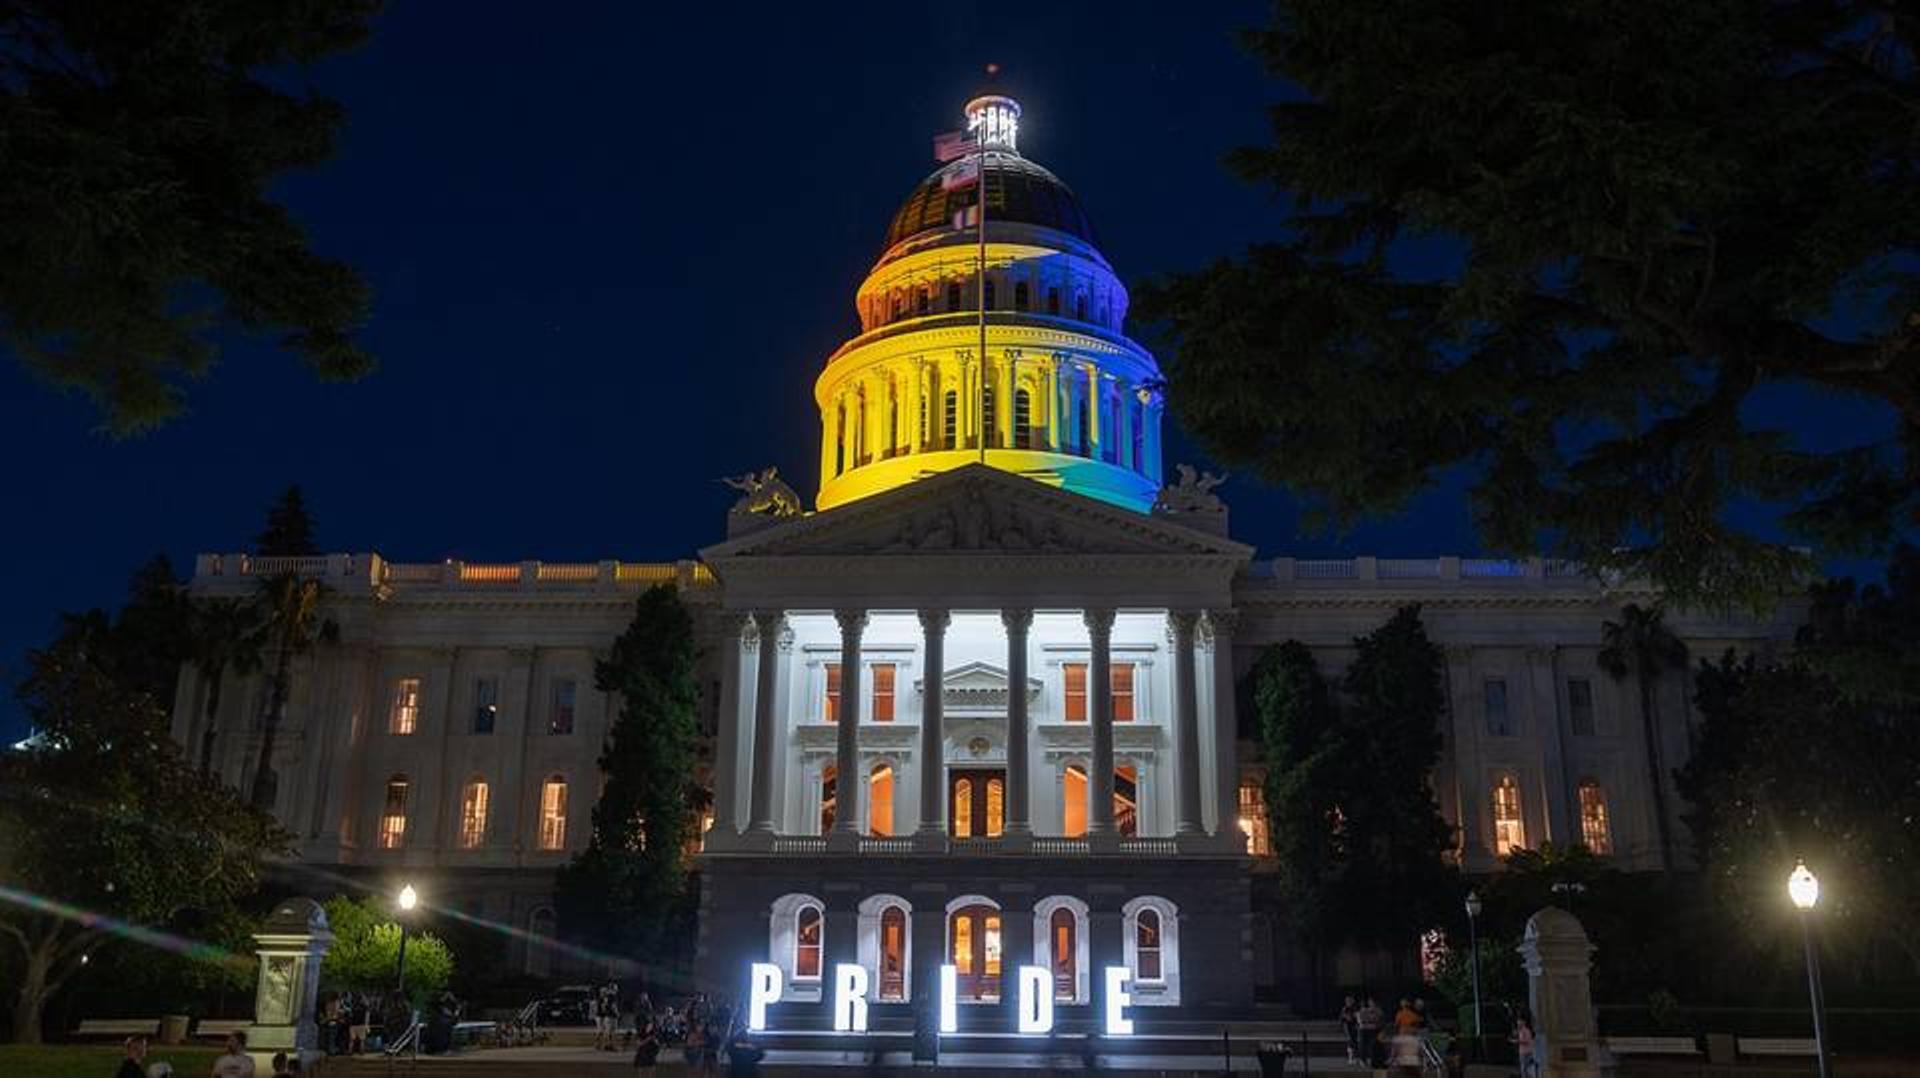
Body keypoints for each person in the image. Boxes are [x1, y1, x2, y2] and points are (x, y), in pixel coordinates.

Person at [631, 1008, 662, 1075]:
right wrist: (638, 1041)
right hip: (645, 1045)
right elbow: (639, 1035)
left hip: (651, 1046)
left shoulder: (652, 1024)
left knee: (649, 1062)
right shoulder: (640, 1025)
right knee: (641, 1062)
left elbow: (652, 1037)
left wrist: (642, 1042)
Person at [1356, 995, 1383, 1068]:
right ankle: (1362, 1060)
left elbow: (1377, 1019)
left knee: (1373, 1046)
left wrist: (1370, 1019)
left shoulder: (1378, 1010)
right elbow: (1361, 1020)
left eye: (1372, 1002)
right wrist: (1369, 1018)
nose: (1371, 1003)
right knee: (1362, 1045)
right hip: (1363, 1029)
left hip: (1373, 1030)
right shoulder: (1362, 1010)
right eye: (1370, 1002)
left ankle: (1372, 1060)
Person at [1513, 1013, 1537, 1077]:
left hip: (1527, 1052)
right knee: (1523, 1069)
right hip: (1523, 1052)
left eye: (1519, 1021)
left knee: (1525, 1069)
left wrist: (1517, 1041)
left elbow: (1528, 1041)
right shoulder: (1520, 1031)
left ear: (1524, 1022)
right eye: (1518, 1021)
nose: (1518, 1022)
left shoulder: (1526, 1030)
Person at [1339, 995, 1359, 1064]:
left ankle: (1354, 1057)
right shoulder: (1345, 1009)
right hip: (1347, 1026)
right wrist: (1348, 1017)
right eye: (1348, 1001)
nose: (1349, 1002)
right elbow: (1345, 1018)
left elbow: (1356, 1017)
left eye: (1350, 1001)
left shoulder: (1355, 1008)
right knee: (1350, 1040)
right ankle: (1350, 1058)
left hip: (1354, 1027)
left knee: (1354, 1041)